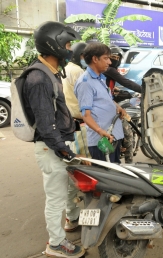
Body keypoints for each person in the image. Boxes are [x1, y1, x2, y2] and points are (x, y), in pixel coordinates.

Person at [23, 21, 89, 257]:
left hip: (59, 142)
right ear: (55, 44)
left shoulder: (50, 73)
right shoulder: (38, 78)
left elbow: (55, 112)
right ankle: (56, 244)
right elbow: (44, 122)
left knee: (69, 186)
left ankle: (71, 219)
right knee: (55, 196)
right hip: (51, 146)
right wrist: (64, 149)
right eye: (68, 43)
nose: (70, 49)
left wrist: (73, 124)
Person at [74, 42, 126, 163]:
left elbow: (105, 99)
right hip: (102, 141)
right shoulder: (85, 83)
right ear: (95, 59)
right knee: (107, 178)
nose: (110, 62)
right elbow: (86, 115)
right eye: (106, 58)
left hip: (112, 136)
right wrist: (100, 131)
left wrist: (117, 106)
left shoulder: (100, 78)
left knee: (116, 174)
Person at [103, 45, 142, 164]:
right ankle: (130, 163)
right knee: (128, 133)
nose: (115, 59)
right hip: (108, 107)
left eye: (117, 57)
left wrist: (115, 91)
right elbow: (127, 82)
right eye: (112, 57)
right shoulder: (110, 70)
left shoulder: (105, 71)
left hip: (108, 103)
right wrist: (144, 89)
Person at [61, 42, 91, 158]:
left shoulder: (66, 68)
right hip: (80, 118)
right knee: (85, 157)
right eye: (85, 56)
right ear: (80, 55)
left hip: (68, 116)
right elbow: (84, 95)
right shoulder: (78, 71)